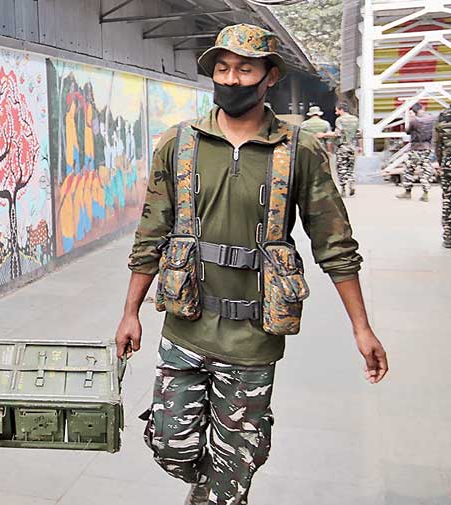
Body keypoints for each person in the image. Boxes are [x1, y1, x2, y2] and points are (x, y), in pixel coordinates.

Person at [115, 24, 388, 505]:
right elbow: (151, 232)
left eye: (245, 69)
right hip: (185, 328)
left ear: (269, 77)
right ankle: (229, 465)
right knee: (169, 448)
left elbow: (335, 244)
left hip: (254, 339)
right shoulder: (179, 145)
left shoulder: (298, 151)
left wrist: (361, 328)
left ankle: (232, 470)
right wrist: (130, 312)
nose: (232, 78)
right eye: (222, 68)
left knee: (229, 483)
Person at [398, 103, 435, 201]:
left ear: (414, 111)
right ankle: (425, 194)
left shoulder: (414, 121)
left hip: (416, 149)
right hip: (427, 148)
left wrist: (410, 118)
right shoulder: (432, 119)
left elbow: (407, 131)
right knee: (426, 171)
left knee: (408, 170)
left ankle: (407, 192)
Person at [323, 102, 360, 197]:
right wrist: (360, 147)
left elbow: (337, 133)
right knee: (350, 167)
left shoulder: (339, 120)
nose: (336, 112)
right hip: (352, 146)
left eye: (337, 110)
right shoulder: (355, 119)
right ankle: (351, 183)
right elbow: (359, 133)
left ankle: (343, 188)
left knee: (341, 167)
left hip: (342, 147)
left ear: (341, 110)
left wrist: (324, 135)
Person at [433, 106, 451, 247]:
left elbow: (437, 144)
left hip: (448, 163)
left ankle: (449, 236)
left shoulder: (443, 116)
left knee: (448, 199)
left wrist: (440, 162)